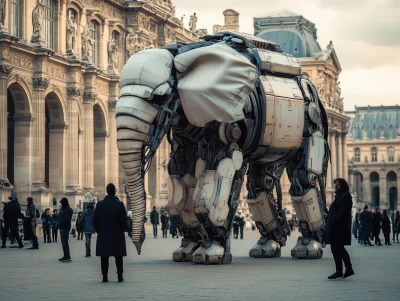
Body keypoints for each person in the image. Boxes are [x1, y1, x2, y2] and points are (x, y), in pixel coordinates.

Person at [93, 183, 127, 283]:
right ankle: (120, 276)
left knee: (104, 256)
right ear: (115, 191)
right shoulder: (120, 204)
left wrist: (99, 230)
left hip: (104, 234)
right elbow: (124, 220)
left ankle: (105, 276)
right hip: (117, 234)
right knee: (118, 256)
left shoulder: (100, 204)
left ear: (107, 191)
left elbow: (95, 220)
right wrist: (122, 228)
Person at [324, 178, 354, 280]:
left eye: (337, 183)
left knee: (339, 248)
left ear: (342, 184)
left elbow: (342, 213)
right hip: (335, 227)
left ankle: (348, 268)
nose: (335, 185)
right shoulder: (338, 196)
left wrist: (335, 220)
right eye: (335, 184)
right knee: (335, 249)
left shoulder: (345, 196)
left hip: (339, 227)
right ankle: (339, 271)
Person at [58, 197, 73, 262]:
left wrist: (58, 224)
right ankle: (65, 255)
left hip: (65, 227)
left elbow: (65, 218)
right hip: (62, 227)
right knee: (63, 242)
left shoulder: (69, 209)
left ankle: (67, 256)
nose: (61, 204)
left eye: (62, 203)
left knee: (65, 242)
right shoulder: (63, 209)